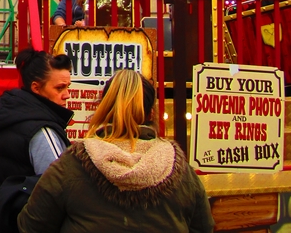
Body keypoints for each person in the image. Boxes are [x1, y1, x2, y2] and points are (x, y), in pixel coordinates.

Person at [18, 69, 214, 233]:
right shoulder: (179, 168)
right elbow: (203, 227)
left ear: (104, 108)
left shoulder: (71, 164)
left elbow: (30, 226)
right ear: (151, 113)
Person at [0, 48, 73, 229]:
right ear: (36, 88)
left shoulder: (12, 115)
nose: (67, 94)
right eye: (59, 88)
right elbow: (61, 188)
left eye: (67, 87)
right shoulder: (41, 131)